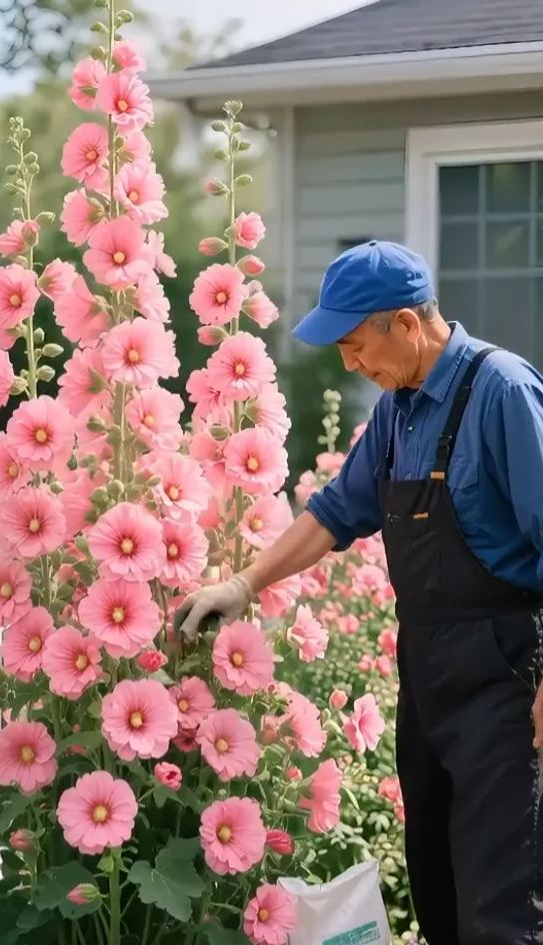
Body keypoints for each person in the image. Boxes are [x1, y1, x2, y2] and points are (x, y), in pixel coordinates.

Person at [176, 240, 543, 945]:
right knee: (440, 894)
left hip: (501, 678)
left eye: (353, 344)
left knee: (503, 911)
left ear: (404, 324)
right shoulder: (398, 411)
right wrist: (243, 583)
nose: (350, 363)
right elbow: (334, 513)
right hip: (428, 680)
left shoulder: (502, 391)